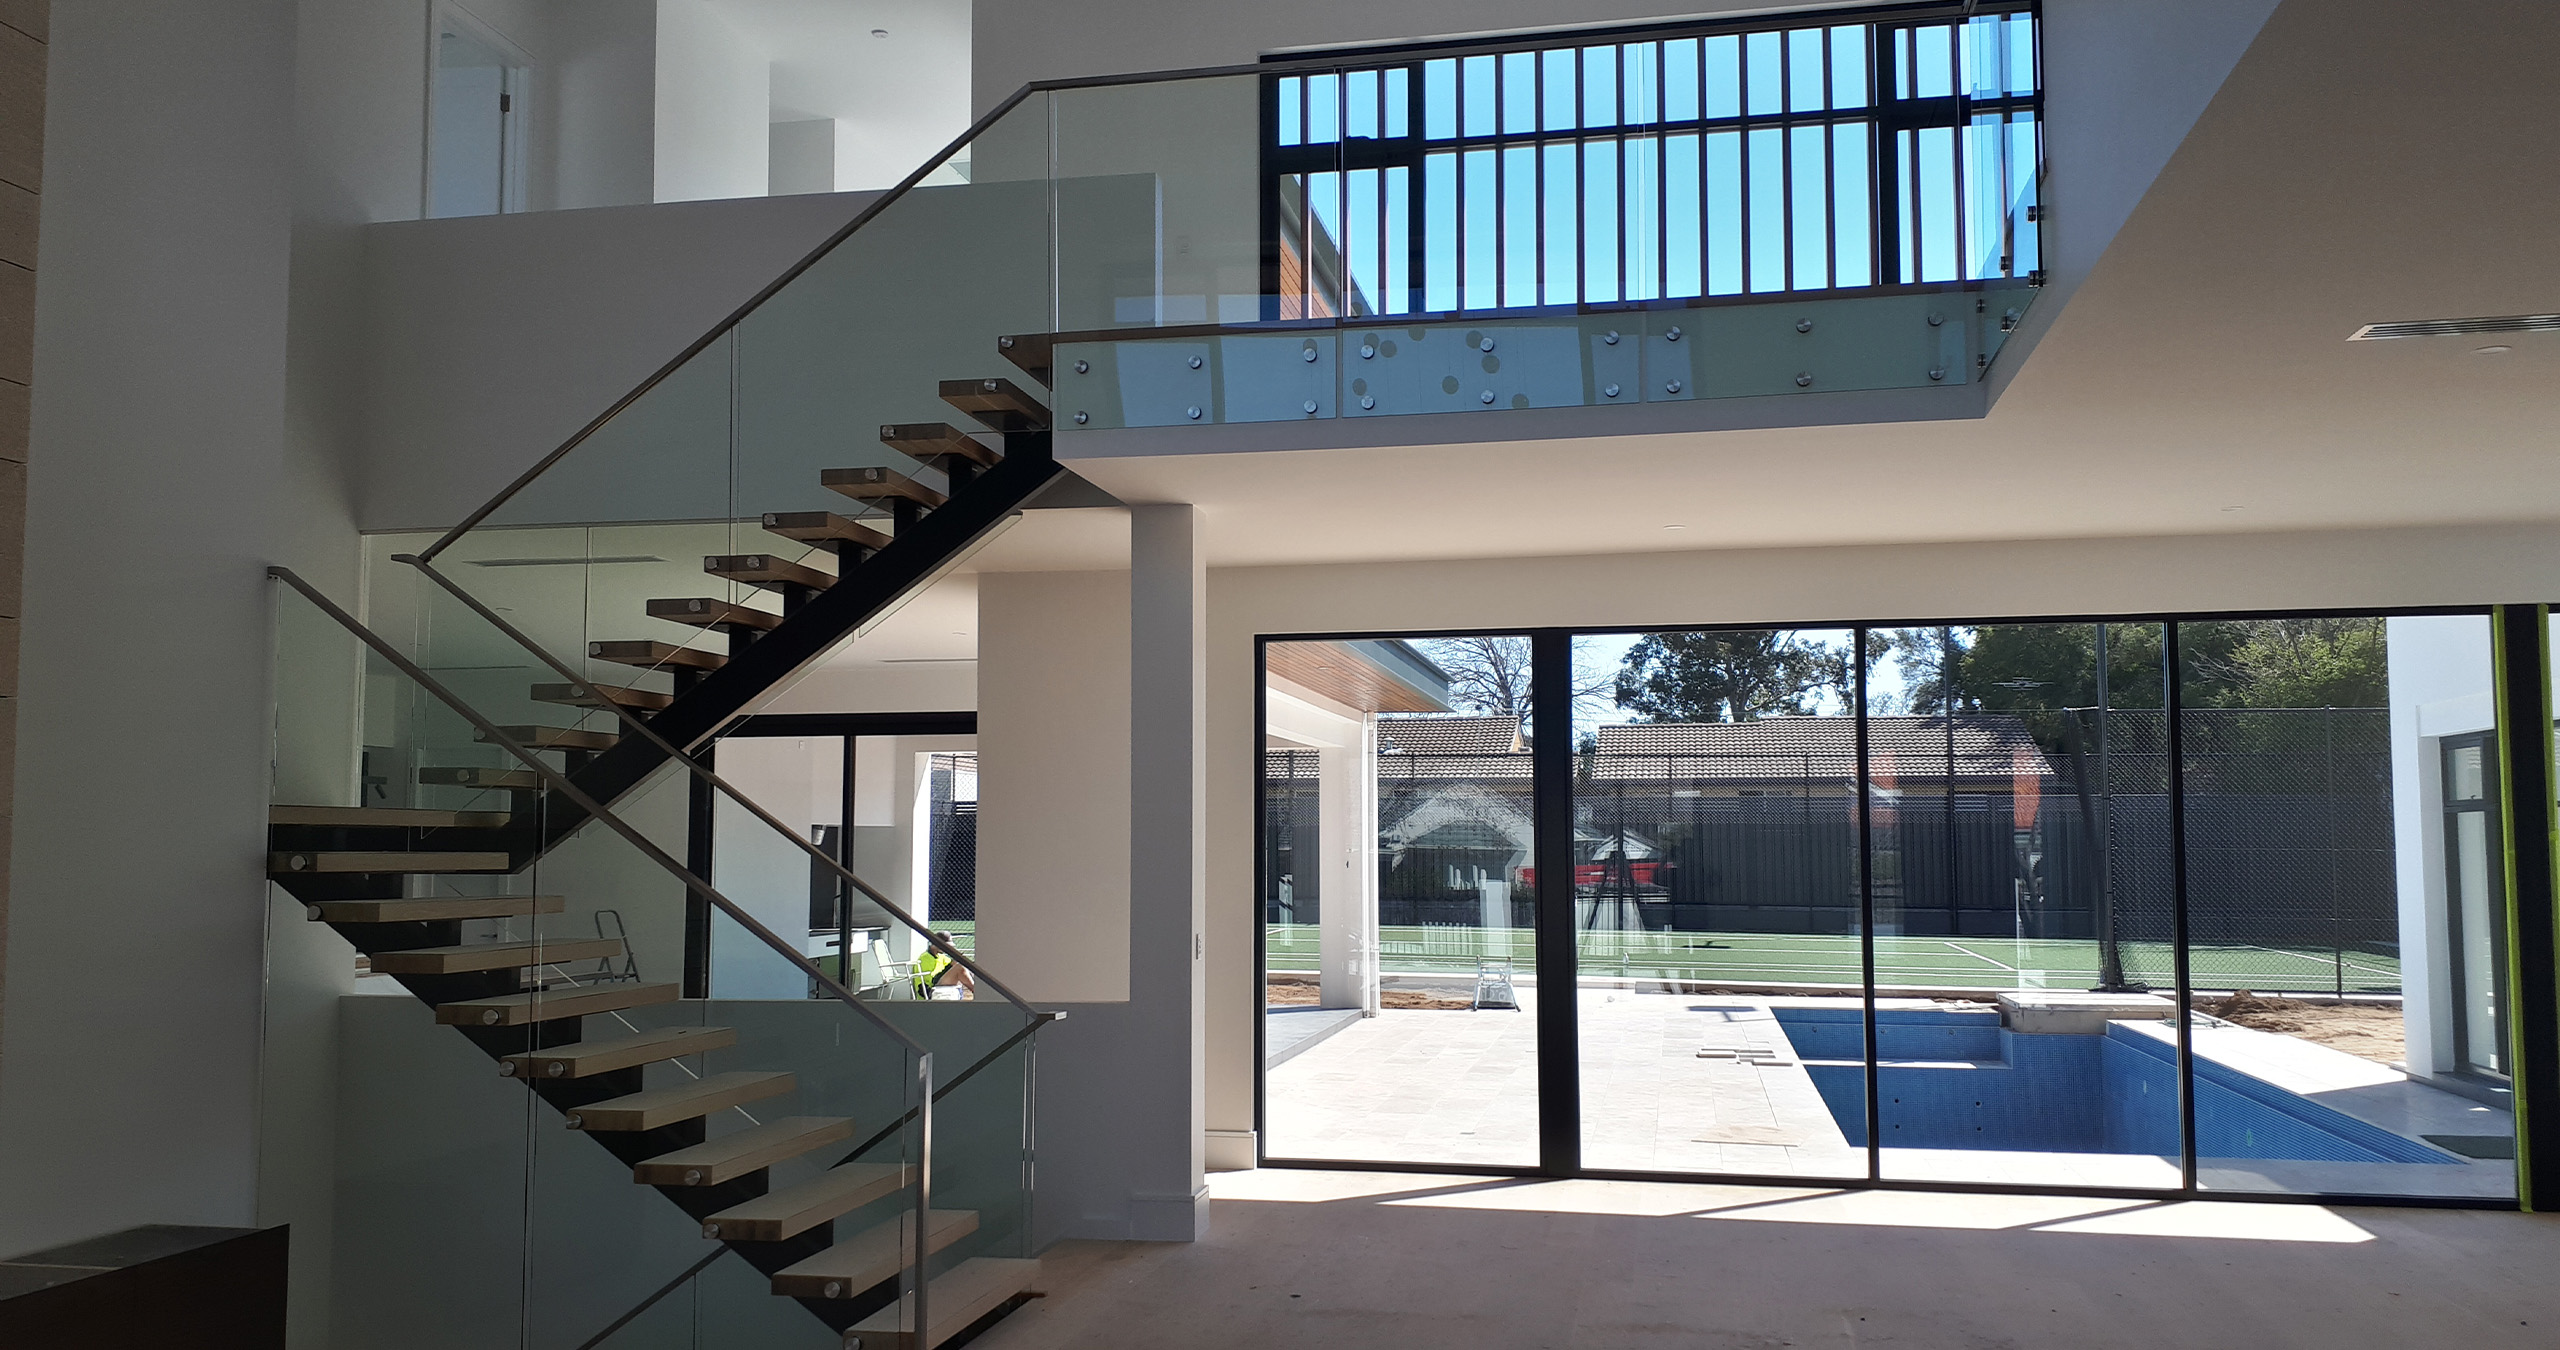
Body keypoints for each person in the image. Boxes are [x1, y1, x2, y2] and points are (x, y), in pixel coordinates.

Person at [911, 933, 976, 1000]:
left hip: (938, 984)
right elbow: (923, 985)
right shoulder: (924, 958)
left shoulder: (941, 957)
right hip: (931, 990)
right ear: (935, 944)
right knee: (959, 968)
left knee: (961, 965)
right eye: (945, 946)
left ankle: (977, 988)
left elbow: (951, 968)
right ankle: (977, 991)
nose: (946, 949)